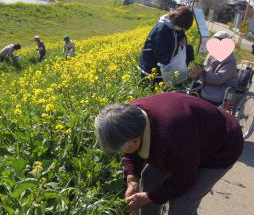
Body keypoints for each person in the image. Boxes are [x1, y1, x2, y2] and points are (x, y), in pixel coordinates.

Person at [94, 92, 243, 215]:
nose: (123, 154)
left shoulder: (173, 134)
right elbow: (132, 150)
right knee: (149, 178)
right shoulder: (128, 116)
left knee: (183, 202)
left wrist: (149, 197)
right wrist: (132, 178)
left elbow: (185, 179)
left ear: (136, 141)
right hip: (189, 142)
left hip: (222, 145)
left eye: (123, 150)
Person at [138, 6, 194, 85]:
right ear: (177, 20)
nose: (182, 29)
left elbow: (181, 34)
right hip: (151, 68)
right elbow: (160, 52)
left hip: (163, 67)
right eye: (182, 27)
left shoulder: (175, 26)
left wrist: (183, 39)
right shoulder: (162, 29)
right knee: (152, 92)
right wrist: (170, 69)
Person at [189, 31, 238, 105]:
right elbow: (205, 70)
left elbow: (219, 79)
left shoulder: (230, 61)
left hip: (219, 91)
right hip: (206, 87)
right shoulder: (211, 55)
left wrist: (203, 73)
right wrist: (196, 74)